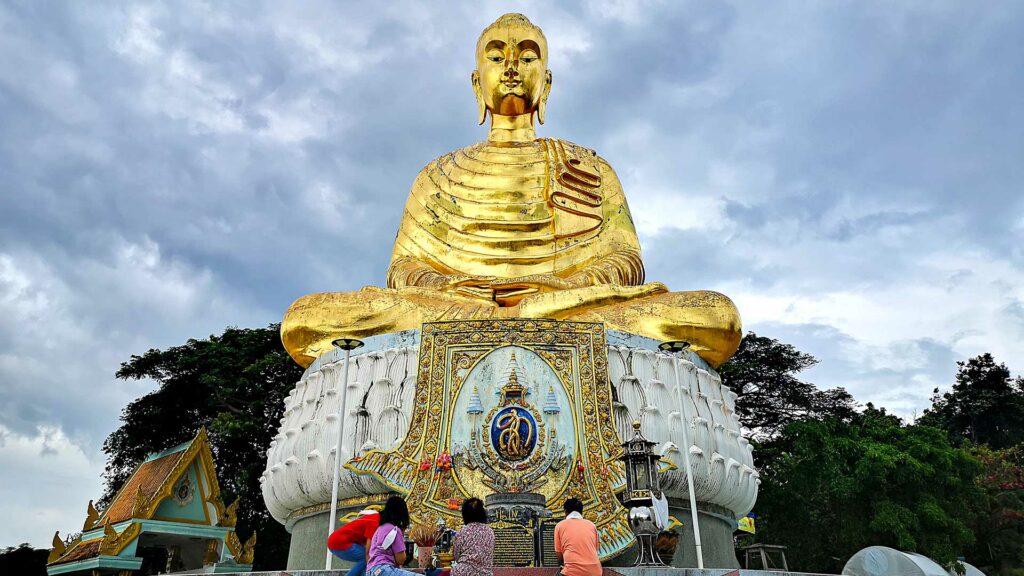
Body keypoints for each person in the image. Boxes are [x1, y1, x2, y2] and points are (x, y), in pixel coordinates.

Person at [367, 496, 417, 576]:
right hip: (384, 570)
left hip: (371, 571)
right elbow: (400, 560)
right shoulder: (395, 530)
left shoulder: (379, 529)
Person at [554, 498, 601, 576]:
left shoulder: (560, 526)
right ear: (581, 511)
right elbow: (595, 550)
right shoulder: (592, 525)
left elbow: (559, 555)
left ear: (565, 512)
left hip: (572, 572)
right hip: (596, 571)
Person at [327, 507, 380, 576]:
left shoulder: (375, 518)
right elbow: (369, 551)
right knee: (365, 558)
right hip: (339, 542)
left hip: (336, 540)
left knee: (365, 564)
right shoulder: (375, 521)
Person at [452, 498, 494, 576]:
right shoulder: (490, 531)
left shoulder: (462, 532)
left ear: (465, 515)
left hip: (462, 573)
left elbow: (456, 556)